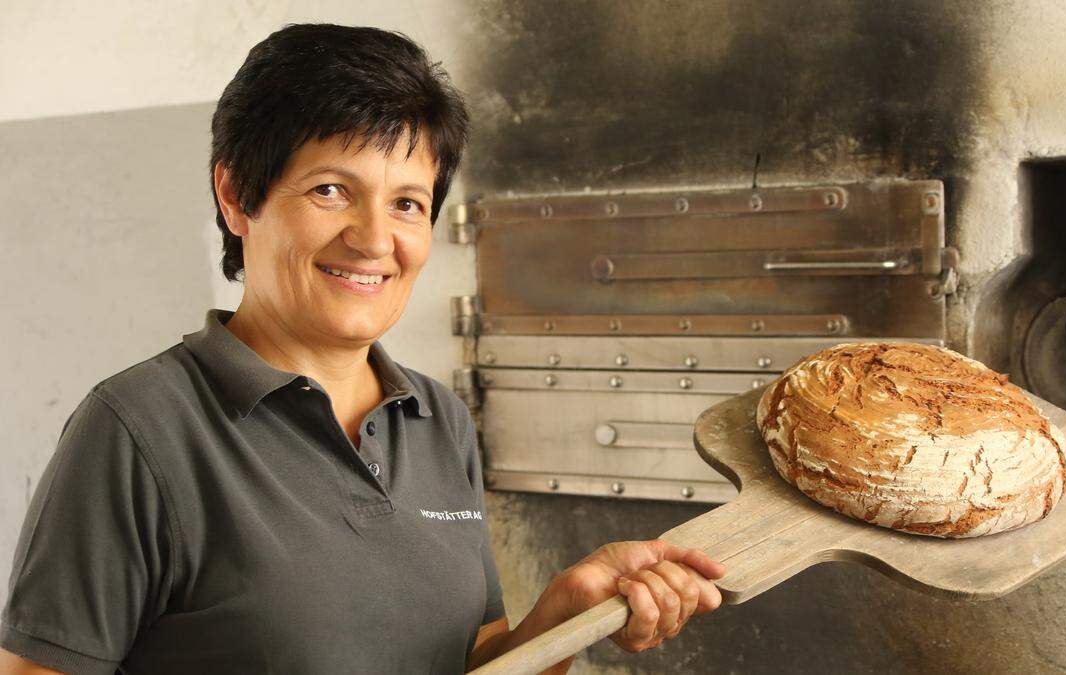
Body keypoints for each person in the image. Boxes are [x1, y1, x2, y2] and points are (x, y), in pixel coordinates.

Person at [0, 22, 725, 675]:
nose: (376, 239)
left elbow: (470, 663)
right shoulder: (137, 430)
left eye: (407, 202)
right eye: (330, 190)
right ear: (234, 195)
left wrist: (561, 618)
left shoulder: (437, 418)